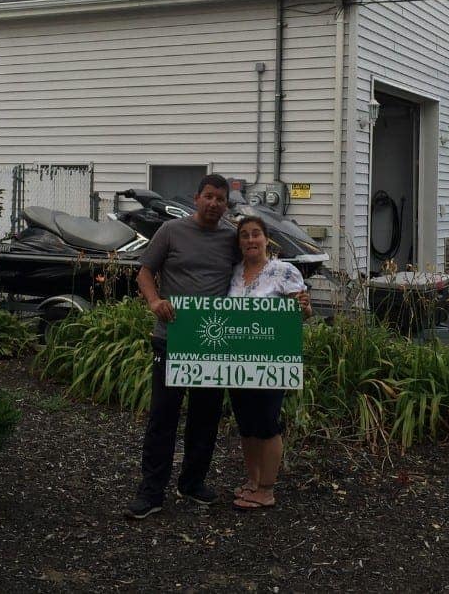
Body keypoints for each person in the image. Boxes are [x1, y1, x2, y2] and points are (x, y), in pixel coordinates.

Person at [124, 174, 239, 520]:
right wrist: (154, 301)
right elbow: (144, 271)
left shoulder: (231, 239)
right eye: (208, 196)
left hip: (212, 342)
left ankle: (192, 483)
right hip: (171, 337)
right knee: (163, 416)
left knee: (205, 417)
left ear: (226, 204)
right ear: (197, 197)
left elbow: (255, 271)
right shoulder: (171, 231)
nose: (214, 203)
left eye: (220, 199)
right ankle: (151, 491)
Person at [228, 215, 311, 510]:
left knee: (267, 423)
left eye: (256, 234)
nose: (251, 240)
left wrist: (303, 307)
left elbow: (301, 314)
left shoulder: (283, 271)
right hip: (236, 361)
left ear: (266, 239)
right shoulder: (234, 273)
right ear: (239, 242)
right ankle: (253, 481)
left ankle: (266, 489)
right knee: (247, 424)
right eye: (245, 235)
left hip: (271, 362)